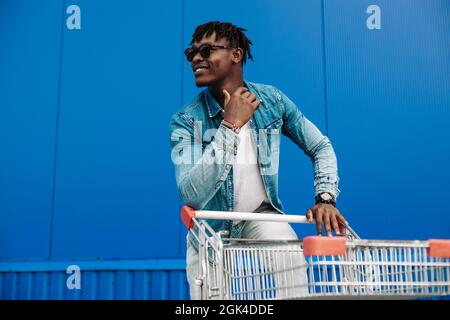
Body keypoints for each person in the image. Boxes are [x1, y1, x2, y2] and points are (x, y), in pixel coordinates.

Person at [169, 21, 347, 300]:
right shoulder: (186, 120)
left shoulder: (272, 101)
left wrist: (325, 198)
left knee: (292, 263)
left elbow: (320, 146)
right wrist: (230, 125)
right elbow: (191, 193)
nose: (196, 59)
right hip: (210, 227)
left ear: (236, 55)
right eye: (191, 53)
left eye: (205, 50)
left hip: (261, 215)